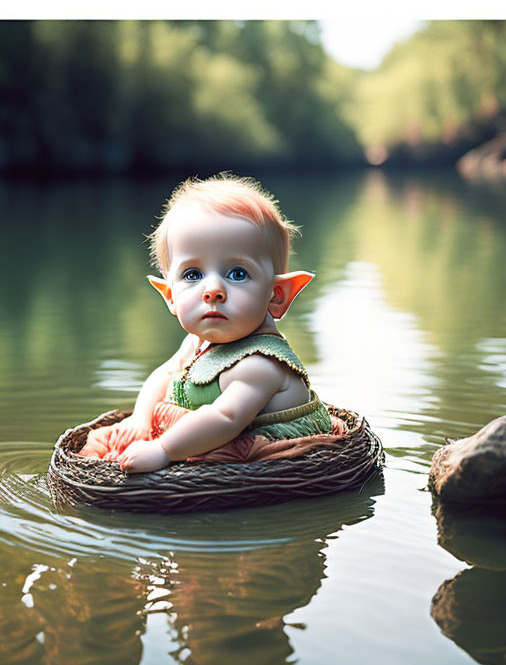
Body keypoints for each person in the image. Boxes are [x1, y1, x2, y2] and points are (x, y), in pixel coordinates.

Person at [80, 174, 333, 473]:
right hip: (205, 431)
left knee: (212, 454)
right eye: (192, 275)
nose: (212, 290)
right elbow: (162, 377)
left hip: (258, 447)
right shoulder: (196, 343)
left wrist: (162, 449)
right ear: (170, 296)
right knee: (109, 441)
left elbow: (225, 419)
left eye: (238, 273)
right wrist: (140, 419)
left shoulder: (261, 364)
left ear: (276, 295)